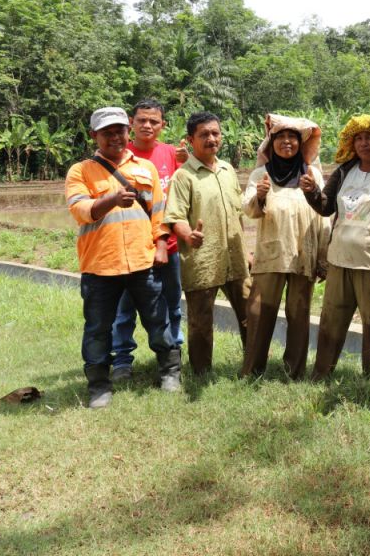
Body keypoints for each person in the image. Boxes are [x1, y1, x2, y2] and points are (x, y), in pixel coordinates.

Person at [64, 106, 181, 409]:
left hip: (143, 262)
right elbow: (80, 210)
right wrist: (111, 199)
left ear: (127, 132)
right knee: (98, 329)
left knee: (158, 321)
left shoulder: (145, 168)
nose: (115, 137)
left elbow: (159, 212)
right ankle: (99, 386)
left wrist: (160, 246)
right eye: (107, 132)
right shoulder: (80, 171)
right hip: (101, 265)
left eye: (119, 130)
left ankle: (170, 371)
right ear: (95, 136)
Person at [303, 114, 370, 381]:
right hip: (339, 259)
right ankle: (321, 374)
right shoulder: (346, 171)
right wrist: (312, 191)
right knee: (331, 320)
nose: (363, 143)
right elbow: (326, 207)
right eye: (358, 138)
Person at [241, 115, 330, 380]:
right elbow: (249, 211)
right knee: (259, 311)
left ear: (300, 144)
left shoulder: (311, 173)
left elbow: (323, 213)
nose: (287, 142)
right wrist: (260, 194)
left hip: (304, 253)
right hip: (271, 253)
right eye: (280, 138)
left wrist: (323, 257)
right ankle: (252, 370)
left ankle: (295, 371)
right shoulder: (261, 174)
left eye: (292, 138)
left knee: (299, 312)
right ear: (272, 142)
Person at [165, 111, 249, 376]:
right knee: (201, 321)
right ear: (191, 140)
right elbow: (175, 217)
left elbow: (238, 214)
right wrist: (189, 235)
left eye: (215, 133)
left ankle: (254, 365)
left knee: (250, 314)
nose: (211, 139)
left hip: (235, 258)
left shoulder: (228, 170)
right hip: (202, 259)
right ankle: (201, 373)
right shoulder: (184, 176)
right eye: (204, 134)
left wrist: (246, 250)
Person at [110, 99, 185, 383]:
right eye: (141, 120)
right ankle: (122, 362)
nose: (147, 126)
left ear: (162, 125)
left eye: (154, 121)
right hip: (130, 249)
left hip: (170, 246)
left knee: (172, 305)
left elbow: (178, 199)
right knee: (124, 309)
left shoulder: (172, 154)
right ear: (132, 122)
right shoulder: (118, 155)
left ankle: (173, 356)